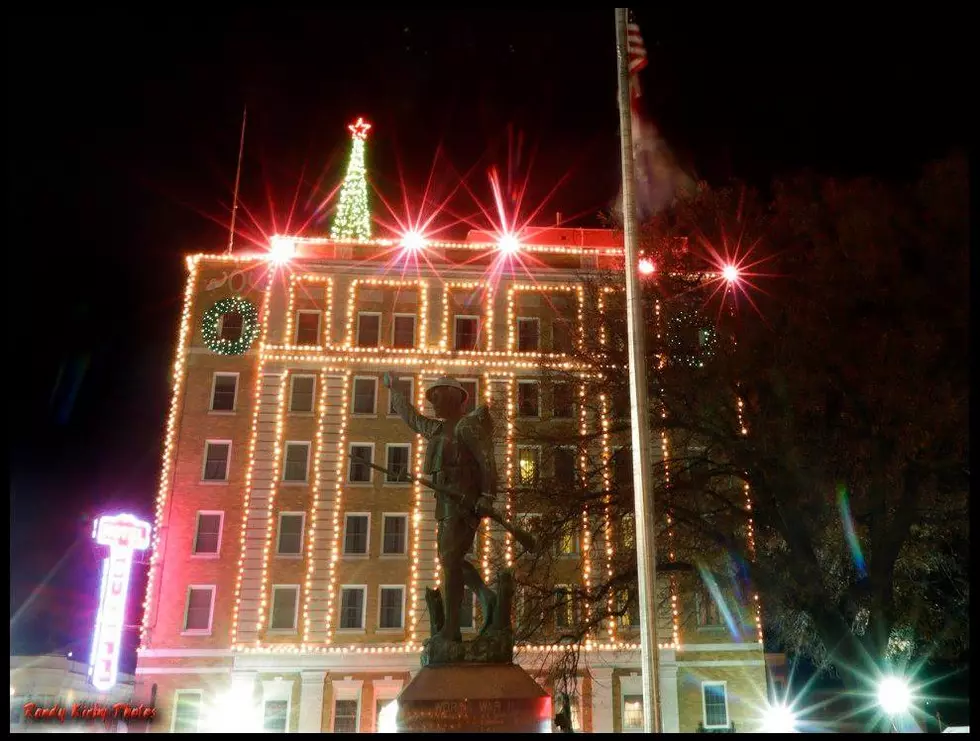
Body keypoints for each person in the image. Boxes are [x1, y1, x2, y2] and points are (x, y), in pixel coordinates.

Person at [383, 372, 498, 642]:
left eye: (437, 396)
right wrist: (395, 390)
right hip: (445, 503)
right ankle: (485, 596)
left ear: (454, 397)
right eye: (431, 398)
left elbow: (487, 461)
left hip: (464, 502)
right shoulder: (437, 429)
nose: (433, 402)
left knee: (449, 559)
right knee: (450, 560)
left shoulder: (467, 427)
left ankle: (452, 628)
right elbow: (413, 419)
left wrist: (487, 496)